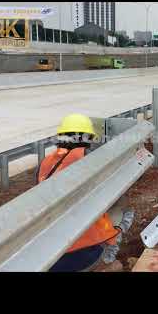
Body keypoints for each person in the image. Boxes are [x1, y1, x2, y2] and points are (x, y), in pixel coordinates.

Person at [36, 113, 131, 272]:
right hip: (85, 256)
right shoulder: (88, 158)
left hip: (49, 257)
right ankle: (106, 262)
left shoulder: (45, 163)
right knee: (124, 212)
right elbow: (112, 193)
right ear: (88, 138)